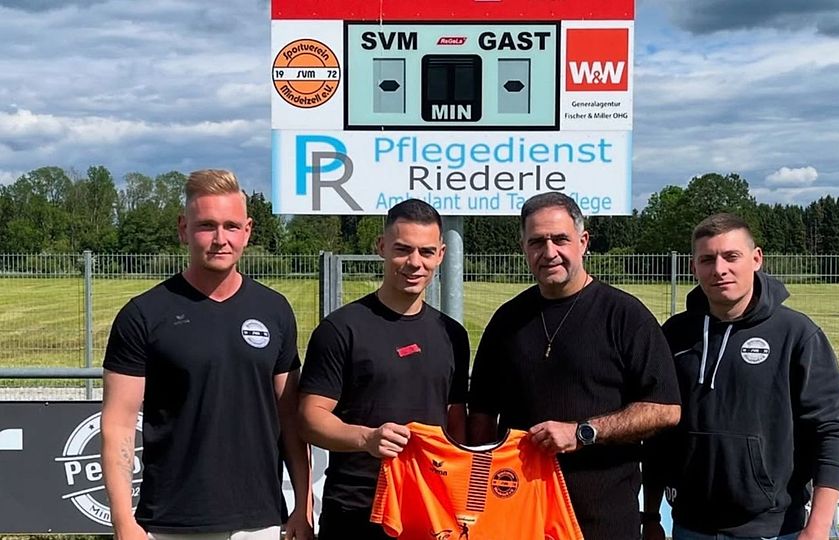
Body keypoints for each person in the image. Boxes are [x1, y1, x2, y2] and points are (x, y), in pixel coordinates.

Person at [100, 169, 313, 540]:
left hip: (260, 521)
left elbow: (291, 420)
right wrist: (123, 522)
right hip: (170, 522)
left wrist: (304, 508)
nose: (220, 239)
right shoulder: (144, 314)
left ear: (247, 231)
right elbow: (118, 424)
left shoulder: (275, 310)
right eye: (206, 226)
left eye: (231, 226)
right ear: (184, 228)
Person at [468, 192, 682, 540]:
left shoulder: (625, 316)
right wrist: (477, 497)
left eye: (560, 239)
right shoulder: (507, 321)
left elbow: (665, 409)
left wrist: (583, 432)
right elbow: (480, 415)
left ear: (583, 242)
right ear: (523, 246)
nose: (549, 252)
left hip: (603, 517)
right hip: (519, 514)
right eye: (537, 241)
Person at [642, 213, 839, 540]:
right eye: (707, 259)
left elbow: (832, 430)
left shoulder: (796, 334)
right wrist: (651, 515)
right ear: (693, 267)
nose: (720, 269)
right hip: (690, 526)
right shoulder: (675, 334)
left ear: (756, 259)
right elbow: (658, 430)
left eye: (731, 256)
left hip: (774, 529)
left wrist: (818, 527)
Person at [298, 199, 470, 540]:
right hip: (356, 509)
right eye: (403, 250)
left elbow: (456, 422)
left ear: (441, 254)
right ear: (381, 247)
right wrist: (367, 438)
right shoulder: (342, 328)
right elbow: (309, 418)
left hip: (428, 509)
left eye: (426, 252)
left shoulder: (453, 335)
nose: (414, 263)